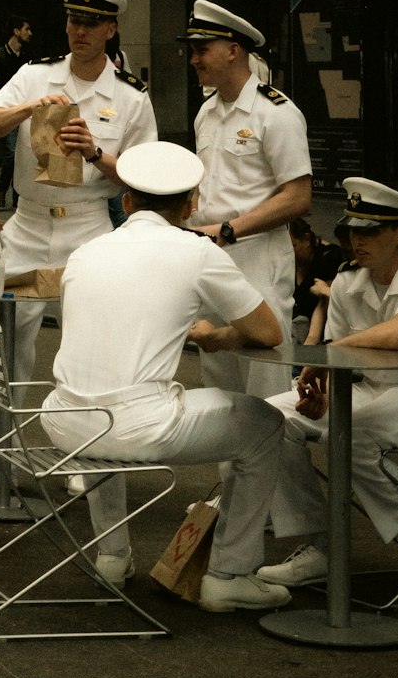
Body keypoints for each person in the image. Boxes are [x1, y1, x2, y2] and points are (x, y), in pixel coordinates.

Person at [40, 141, 291, 611]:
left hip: (62, 421)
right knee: (265, 424)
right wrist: (218, 337)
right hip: (137, 426)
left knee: (102, 403)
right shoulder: (196, 251)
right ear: (193, 203)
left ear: (127, 202)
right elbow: (267, 330)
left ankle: (112, 556)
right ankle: (229, 574)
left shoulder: (86, 252)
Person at [258, 178, 398, 599]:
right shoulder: (349, 279)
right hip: (375, 390)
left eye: (370, 231)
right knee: (268, 419)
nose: (358, 241)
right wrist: (324, 390)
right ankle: (320, 544)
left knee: (355, 432)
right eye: (353, 231)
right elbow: (345, 364)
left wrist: (330, 354)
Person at [0, 0, 157, 384]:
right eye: (74, 20)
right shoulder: (35, 75)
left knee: (89, 349)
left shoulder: (131, 97)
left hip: (87, 229)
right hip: (27, 228)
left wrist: (95, 153)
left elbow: (145, 180)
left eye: (92, 23)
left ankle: (84, 438)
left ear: (111, 29)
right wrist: (28, 108)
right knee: (1, 347)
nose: (80, 31)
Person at [179, 0, 311, 397]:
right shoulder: (206, 113)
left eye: (202, 49)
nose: (194, 60)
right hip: (212, 255)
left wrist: (228, 228)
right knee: (221, 386)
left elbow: (299, 197)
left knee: (266, 387)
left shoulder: (277, 113)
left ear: (233, 50)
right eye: (193, 50)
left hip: (258, 258)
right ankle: (232, 463)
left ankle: (278, 460)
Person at [0, 14, 33, 210]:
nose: (30, 33)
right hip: (7, 111)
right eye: (26, 29)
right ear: (16, 31)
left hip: (25, 111)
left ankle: (17, 197)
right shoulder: (0, 57)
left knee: (24, 154)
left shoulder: (27, 57)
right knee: (12, 153)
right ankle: (1, 188)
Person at [288, 216, 351, 346]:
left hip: (318, 332)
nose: (287, 252)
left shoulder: (329, 257)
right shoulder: (287, 259)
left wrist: (311, 341)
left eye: (292, 246)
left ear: (306, 239)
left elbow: (323, 304)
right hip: (291, 324)